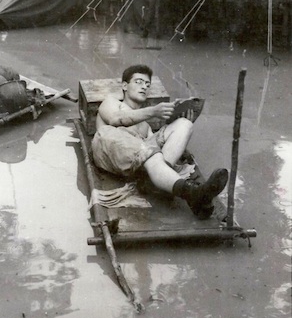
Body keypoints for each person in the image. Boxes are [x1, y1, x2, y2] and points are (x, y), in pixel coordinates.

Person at [91, 64, 228, 219]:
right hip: (109, 148)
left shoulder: (146, 126)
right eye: (139, 82)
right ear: (124, 85)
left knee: (184, 124)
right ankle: (191, 192)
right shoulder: (112, 102)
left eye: (147, 84)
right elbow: (115, 119)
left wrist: (181, 118)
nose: (144, 87)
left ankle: (157, 183)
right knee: (151, 153)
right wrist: (154, 111)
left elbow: (159, 149)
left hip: (139, 159)